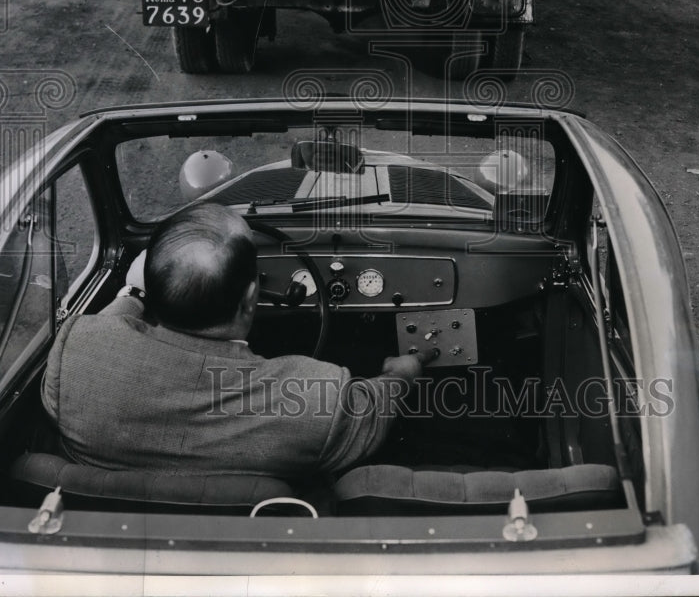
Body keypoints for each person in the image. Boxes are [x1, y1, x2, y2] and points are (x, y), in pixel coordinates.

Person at [42, 203, 427, 479]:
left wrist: (132, 292)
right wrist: (402, 374)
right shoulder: (319, 400)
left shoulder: (76, 351)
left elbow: (109, 327)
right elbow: (375, 406)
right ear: (249, 299)